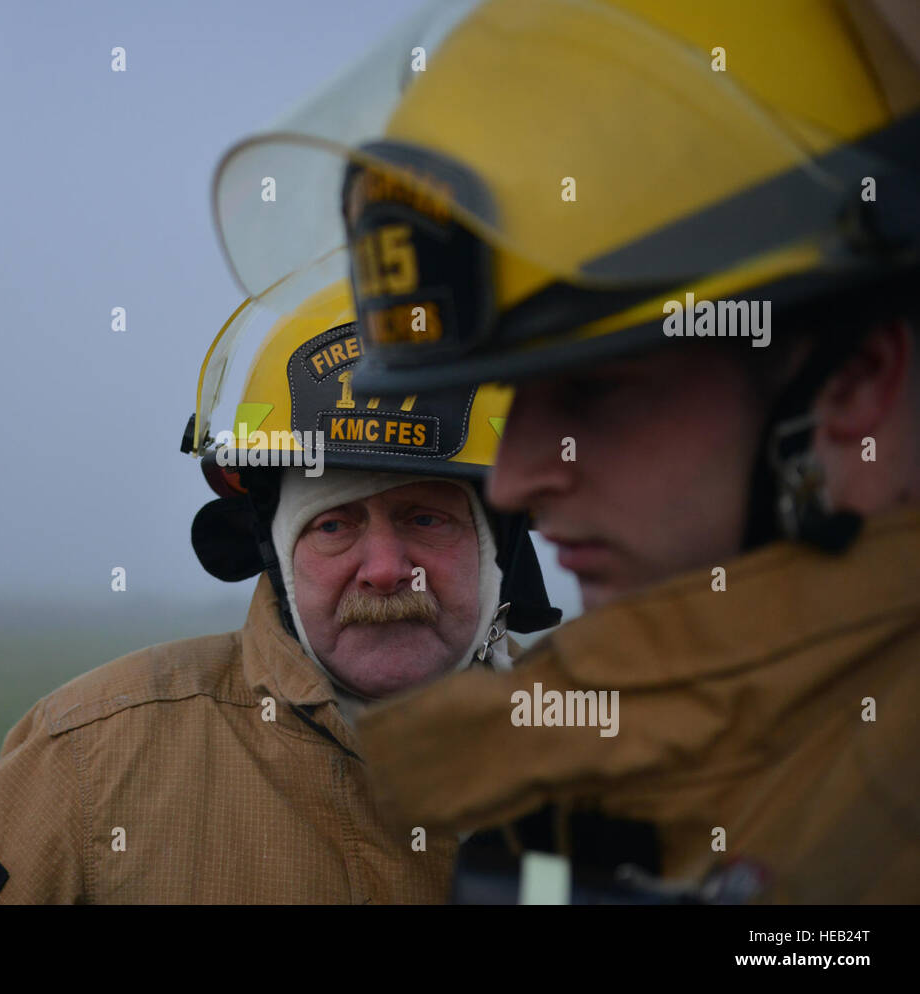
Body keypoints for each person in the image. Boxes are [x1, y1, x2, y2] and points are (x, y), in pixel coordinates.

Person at [209, 0, 920, 902]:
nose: (514, 480)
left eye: (593, 388)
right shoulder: (590, 772)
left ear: (856, 379)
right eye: (517, 398)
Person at [0, 281, 560, 904]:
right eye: (334, 524)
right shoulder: (88, 762)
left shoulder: (606, 764)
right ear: (273, 552)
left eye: (426, 518)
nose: (386, 570)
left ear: (498, 546)